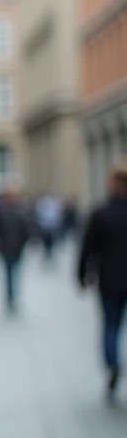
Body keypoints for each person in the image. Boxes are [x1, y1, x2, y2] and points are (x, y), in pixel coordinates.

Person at [78, 162, 127, 404]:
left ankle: (112, 364)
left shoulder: (101, 212)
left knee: (111, 324)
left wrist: (82, 274)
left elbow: (88, 247)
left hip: (110, 279)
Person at [0, 185, 33, 315]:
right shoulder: (1, 211)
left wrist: (25, 242)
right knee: (9, 274)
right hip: (6, 248)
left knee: (16, 274)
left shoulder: (21, 211)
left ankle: (13, 297)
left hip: (18, 248)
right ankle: (10, 298)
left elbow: (26, 230)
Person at [35, 191, 63, 264]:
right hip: (46, 226)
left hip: (50, 226)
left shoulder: (54, 203)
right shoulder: (43, 202)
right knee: (47, 241)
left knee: (50, 241)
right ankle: (47, 253)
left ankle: (49, 253)